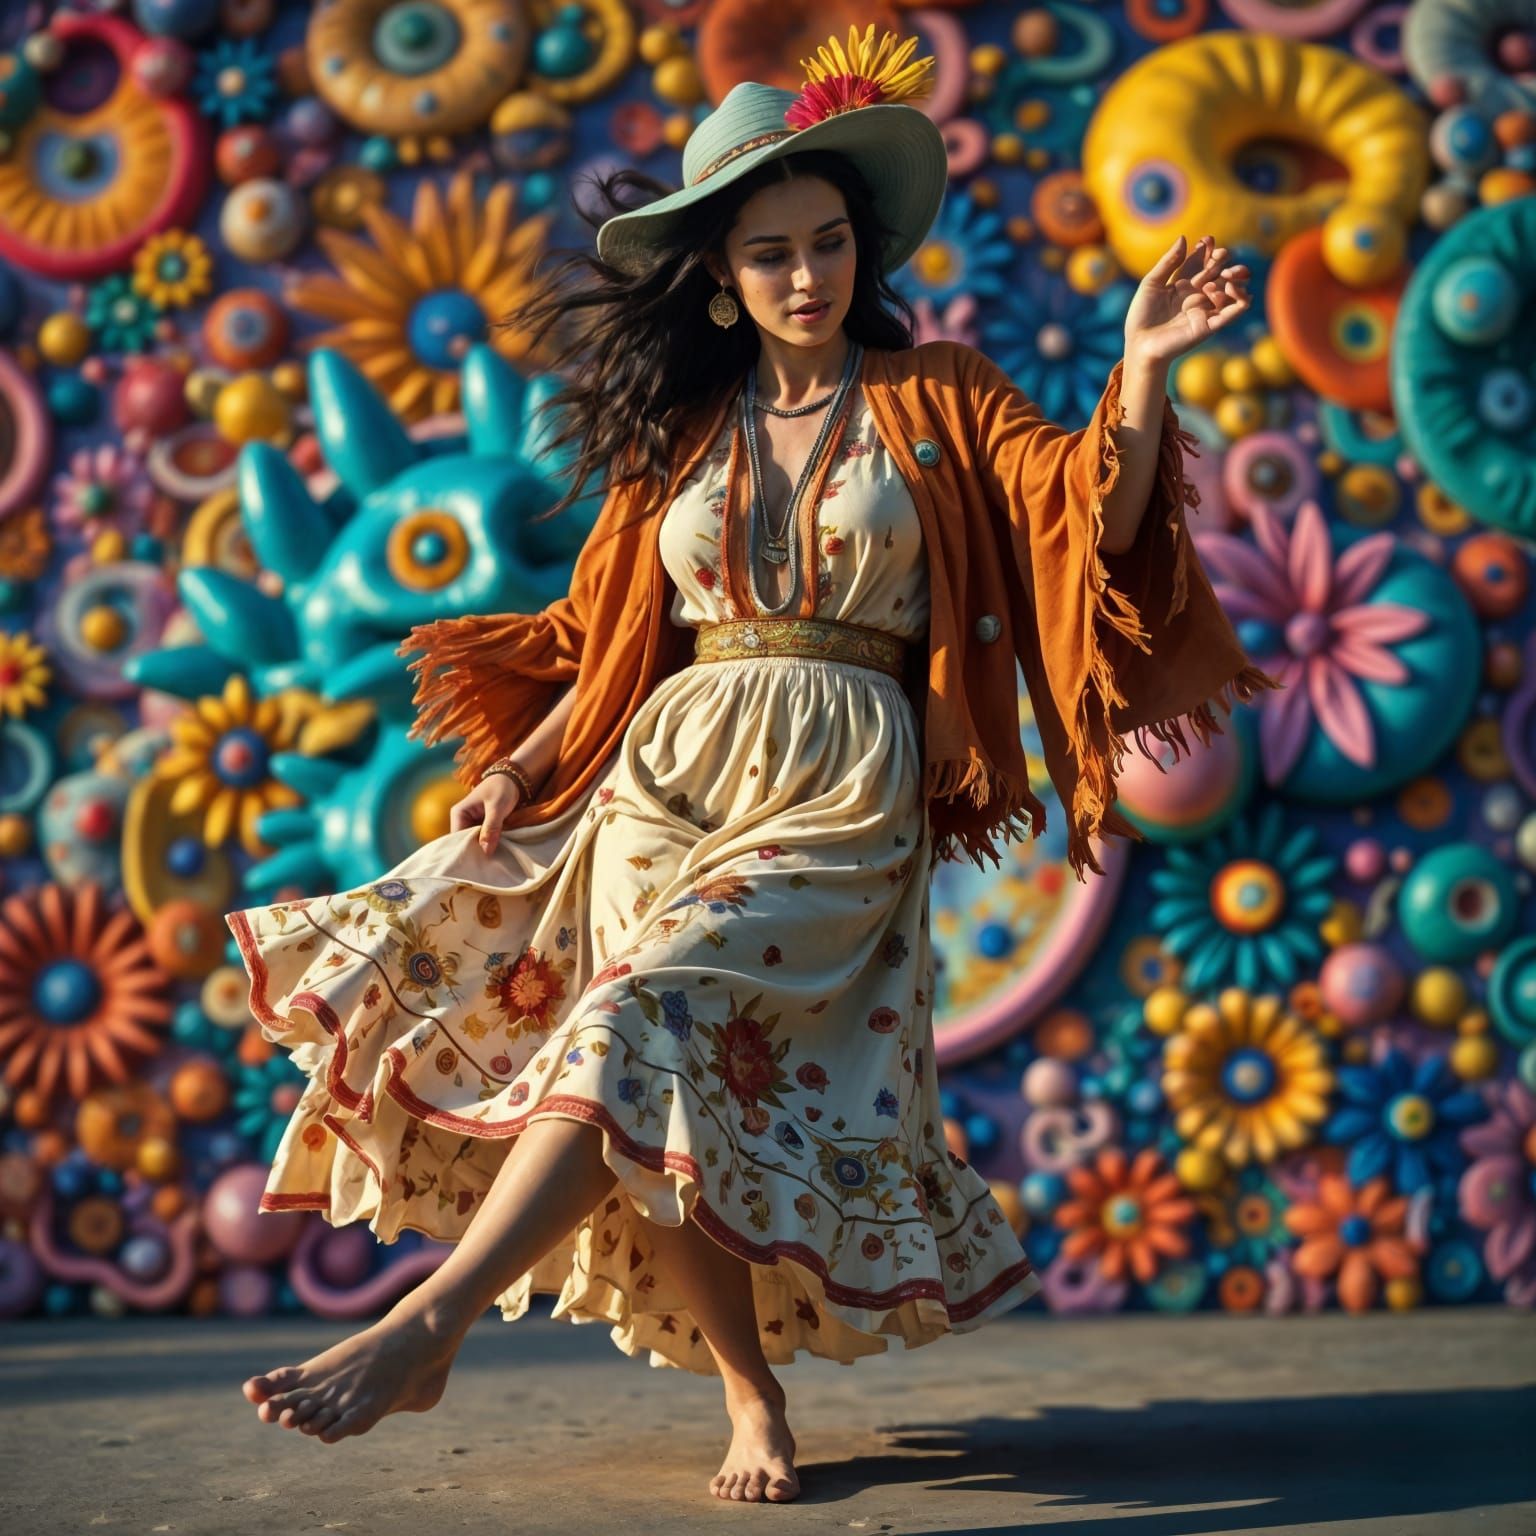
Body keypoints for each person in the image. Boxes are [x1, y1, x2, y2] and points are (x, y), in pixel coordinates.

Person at [232, 25, 1257, 1504]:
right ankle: (749, 1397)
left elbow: (1086, 518)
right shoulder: (682, 436)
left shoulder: (942, 394)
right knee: (663, 1081)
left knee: (650, 1015)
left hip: (841, 792)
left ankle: (429, 1323)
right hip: (665, 780)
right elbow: (606, 642)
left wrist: (1145, 367)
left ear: (861, 249)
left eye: (828, 242)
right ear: (720, 276)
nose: (805, 275)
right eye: (770, 252)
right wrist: (521, 770)